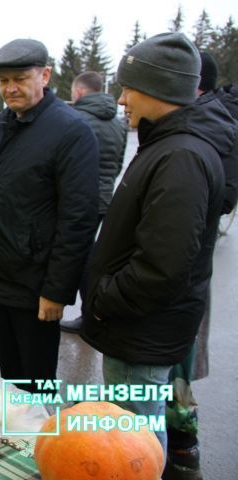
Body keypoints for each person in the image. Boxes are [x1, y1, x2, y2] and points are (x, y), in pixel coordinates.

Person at [80, 33, 236, 459]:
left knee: (136, 444)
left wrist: (104, 300)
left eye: (129, 87)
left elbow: (163, 266)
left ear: (159, 89)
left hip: (140, 332)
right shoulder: (169, 143)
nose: (123, 98)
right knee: (133, 435)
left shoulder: (181, 156)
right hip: (139, 329)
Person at [0, 39, 99, 393]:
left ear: (45, 75)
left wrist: (57, 290)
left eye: (20, 78)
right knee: (9, 372)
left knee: (36, 381)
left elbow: (78, 219)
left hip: (37, 282)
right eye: (3, 80)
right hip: (0, 274)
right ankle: (17, 442)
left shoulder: (71, 131)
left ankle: (37, 446)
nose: (10, 88)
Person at [162, 51, 238, 480]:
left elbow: (221, 198)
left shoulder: (210, 131)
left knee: (177, 367)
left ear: (194, 86)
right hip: (186, 273)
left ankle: (183, 450)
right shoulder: (206, 124)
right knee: (175, 367)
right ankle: (179, 448)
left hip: (184, 275)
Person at [60, 71, 127, 334]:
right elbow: (118, 163)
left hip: (76, 201)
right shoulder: (118, 123)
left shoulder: (76, 120)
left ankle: (90, 314)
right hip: (103, 199)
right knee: (92, 255)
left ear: (79, 92)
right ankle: (91, 311)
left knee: (80, 258)